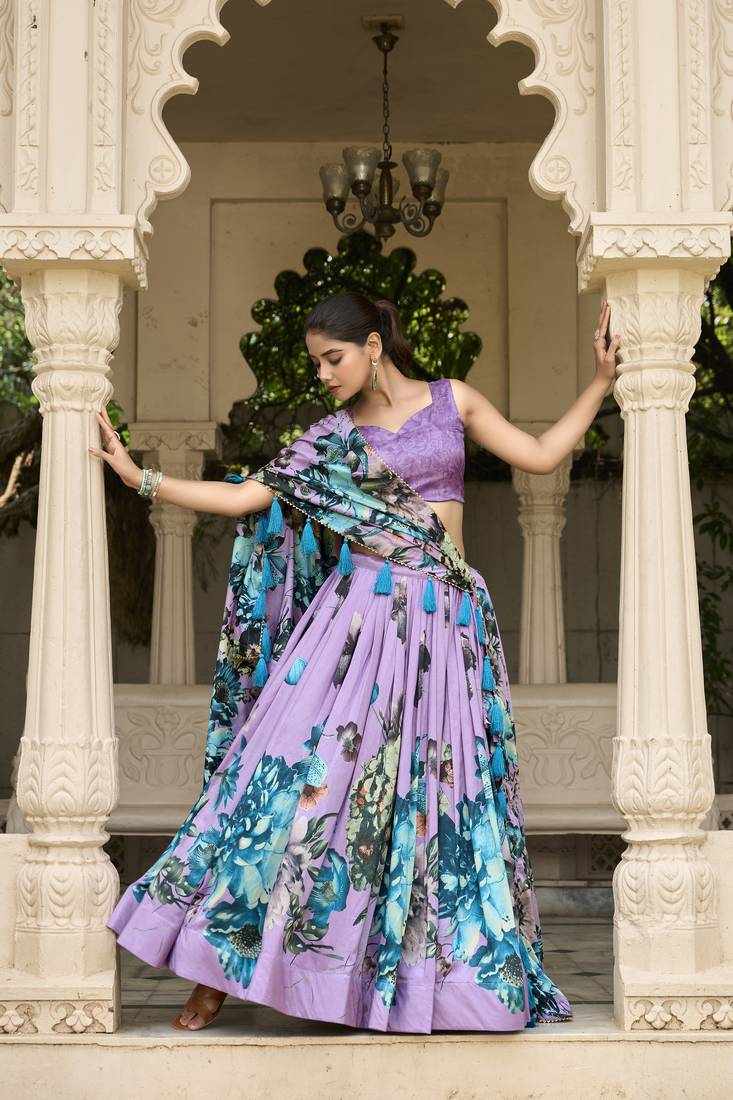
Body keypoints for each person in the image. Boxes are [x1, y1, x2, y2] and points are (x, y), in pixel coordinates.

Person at [91, 290, 620, 1034]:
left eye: (331, 358)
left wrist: (600, 382)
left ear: (373, 347)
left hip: (443, 628)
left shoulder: (452, 401)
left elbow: (538, 456)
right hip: (355, 627)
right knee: (293, 785)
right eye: (316, 363)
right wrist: (139, 478)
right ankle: (214, 966)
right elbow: (246, 500)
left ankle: (394, 983)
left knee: (426, 804)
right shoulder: (330, 441)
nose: (323, 374)